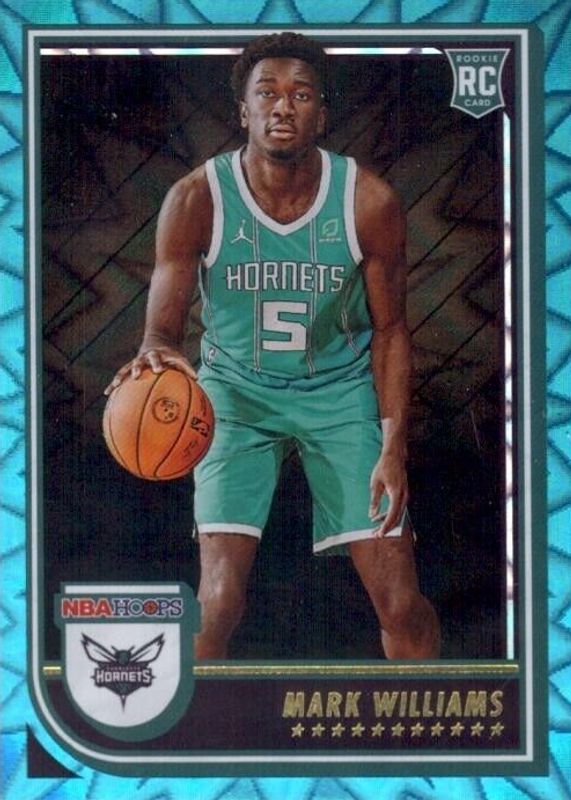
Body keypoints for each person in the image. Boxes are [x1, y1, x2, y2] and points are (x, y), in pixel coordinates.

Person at [105, 32, 440, 660]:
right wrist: (156, 350)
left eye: (301, 94)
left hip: (339, 391)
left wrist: (392, 445)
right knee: (216, 602)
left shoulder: (368, 201)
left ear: (323, 114)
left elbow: (392, 329)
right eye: (267, 93)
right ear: (244, 111)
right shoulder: (196, 198)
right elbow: (162, 330)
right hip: (235, 392)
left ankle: (425, 714)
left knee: (398, 600)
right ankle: (197, 722)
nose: (283, 106)